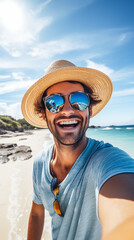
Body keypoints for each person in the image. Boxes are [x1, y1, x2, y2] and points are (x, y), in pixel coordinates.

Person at [21, 60, 134, 240]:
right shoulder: (40, 163)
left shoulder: (107, 160)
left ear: (89, 109)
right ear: (44, 113)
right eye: (54, 102)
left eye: (79, 100)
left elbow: (125, 216)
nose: (67, 110)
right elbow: (36, 212)